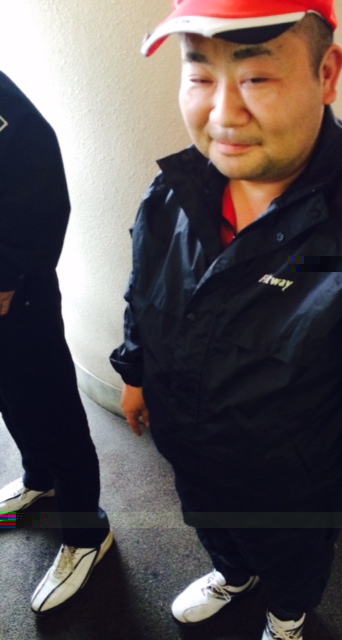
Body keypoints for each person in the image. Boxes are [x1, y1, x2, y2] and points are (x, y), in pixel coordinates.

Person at [110, 1, 342, 638]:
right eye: (200, 75)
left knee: (291, 559)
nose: (223, 113)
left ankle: (287, 615)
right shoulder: (176, 189)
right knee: (211, 523)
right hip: (191, 441)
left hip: (296, 478)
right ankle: (232, 573)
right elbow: (146, 292)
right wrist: (135, 370)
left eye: (256, 77)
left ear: (327, 74)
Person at [0, 71, 112, 614]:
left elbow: (37, 183)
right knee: (9, 396)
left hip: (14, 292)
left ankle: (88, 533)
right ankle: (38, 479)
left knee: (49, 405)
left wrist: (5, 277)